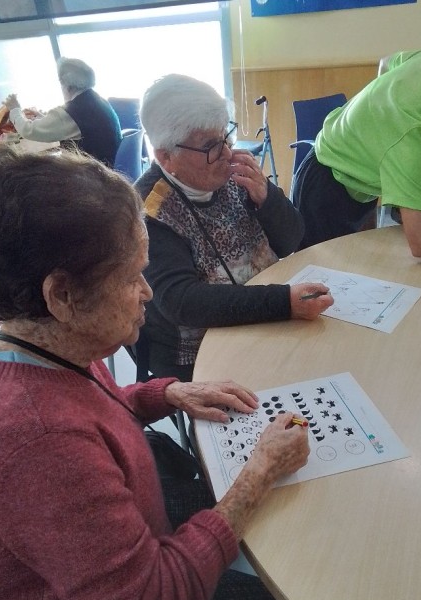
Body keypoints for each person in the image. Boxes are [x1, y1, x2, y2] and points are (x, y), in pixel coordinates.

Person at [0, 145, 312, 600]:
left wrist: (165, 391)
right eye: (132, 278)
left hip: (124, 549)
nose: (148, 293)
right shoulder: (39, 440)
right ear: (62, 295)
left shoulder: (42, 339)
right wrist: (258, 474)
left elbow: (89, 400)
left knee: (230, 506)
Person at [134, 73, 334, 382]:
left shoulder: (234, 174)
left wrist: (267, 198)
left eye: (226, 136)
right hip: (198, 353)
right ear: (166, 156)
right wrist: (283, 303)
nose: (227, 153)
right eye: (210, 146)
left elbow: (292, 240)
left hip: (266, 316)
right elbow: (183, 302)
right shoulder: (150, 211)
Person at [291, 48, 421, 257]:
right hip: (325, 187)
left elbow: (386, 63)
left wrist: (374, 128)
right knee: (318, 270)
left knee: (365, 263)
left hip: (360, 183)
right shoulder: (412, 131)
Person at [3, 57, 122, 166]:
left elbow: (28, 130)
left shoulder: (73, 111)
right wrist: (43, 117)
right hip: (110, 167)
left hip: (94, 173)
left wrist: (14, 108)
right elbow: (72, 126)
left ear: (67, 85)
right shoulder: (98, 100)